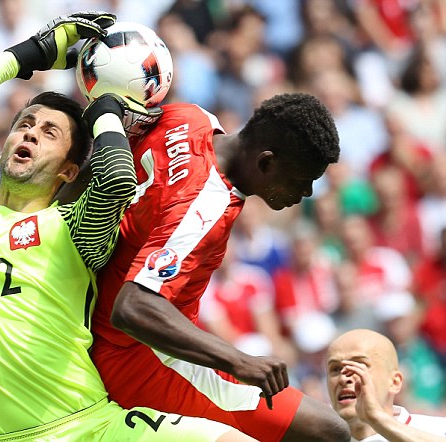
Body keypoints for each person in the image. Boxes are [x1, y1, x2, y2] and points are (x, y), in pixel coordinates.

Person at [0, 11, 257, 442]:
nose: (31, 134)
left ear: (70, 170)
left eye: (49, 132)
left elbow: (116, 179)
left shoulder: (72, 228)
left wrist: (105, 111)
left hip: (91, 427)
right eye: (25, 124)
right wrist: (32, 53)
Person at [88, 88, 351, 440]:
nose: (305, 194)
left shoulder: (189, 117)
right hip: (138, 357)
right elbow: (133, 306)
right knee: (328, 431)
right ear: (266, 162)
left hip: (134, 337)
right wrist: (239, 360)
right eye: (302, 180)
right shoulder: (206, 208)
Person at [326, 329, 446, 441]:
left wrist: (379, 420)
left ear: (394, 382)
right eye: (335, 369)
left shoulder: (439, 429)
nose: (343, 378)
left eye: (359, 366)